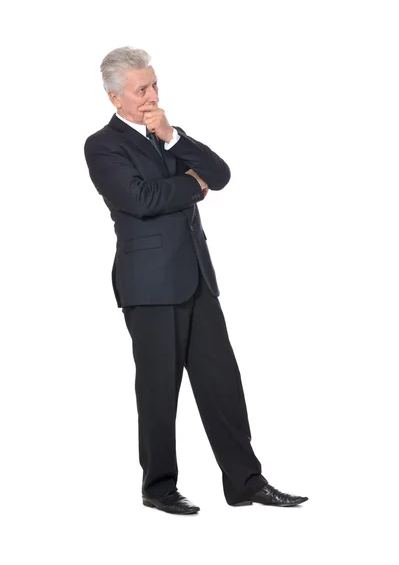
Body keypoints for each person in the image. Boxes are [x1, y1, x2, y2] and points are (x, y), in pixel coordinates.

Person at [83, 46, 308, 515]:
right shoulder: (103, 145)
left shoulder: (166, 136)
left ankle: (245, 481)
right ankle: (159, 487)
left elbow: (220, 175)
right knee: (159, 390)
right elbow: (139, 198)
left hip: (197, 280)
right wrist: (192, 185)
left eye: (155, 84)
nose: (151, 95)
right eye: (140, 89)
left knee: (222, 382)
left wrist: (172, 136)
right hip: (149, 286)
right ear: (114, 98)